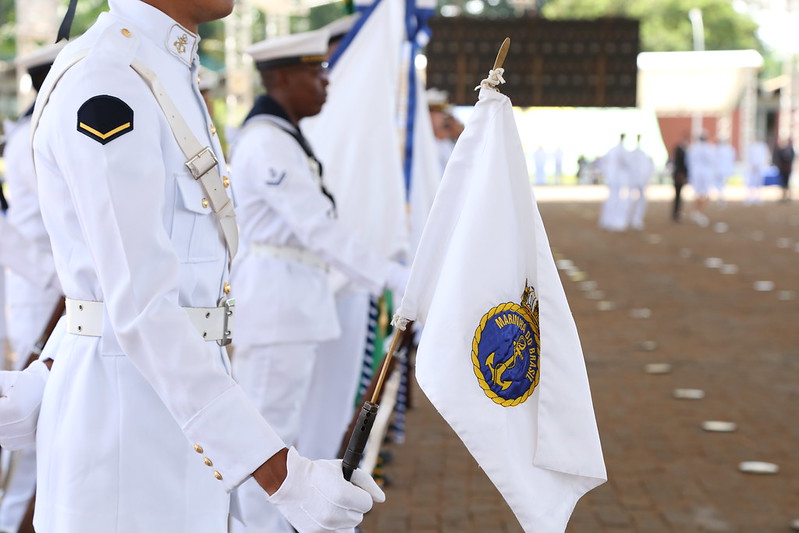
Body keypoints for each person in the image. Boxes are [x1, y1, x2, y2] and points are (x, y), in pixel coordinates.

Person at [0, 1, 384, 532]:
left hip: (172, 413)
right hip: (124, 438)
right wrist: (282, 476)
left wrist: (52, 366)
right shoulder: (107, 80)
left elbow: (109, 289)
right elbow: (142, 307)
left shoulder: (162, 66)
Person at [228, 29, 406, 533]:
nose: (326, 82)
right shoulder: (268, 142)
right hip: (275, 306)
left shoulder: (282, 136)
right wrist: (393, 276)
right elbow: (319, 231)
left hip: (290, 303)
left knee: (286, 437)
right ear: (282, 78)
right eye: (314, 72)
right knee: (266, 444)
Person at [0, 42, 64, 533]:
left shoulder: (45, 127)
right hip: (40, 296)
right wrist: (56, 282)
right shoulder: (29, 137)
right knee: (29, 444)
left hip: (61, 293)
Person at [599, 133, 630, 231]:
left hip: (613, 179)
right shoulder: (621, 151)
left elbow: (604, 162)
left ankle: (608, 221)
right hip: (617, 180)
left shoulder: (613, 150)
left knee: (612, 199)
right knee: (616, 200)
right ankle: (613, 221)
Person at [686, 132, 713, 226]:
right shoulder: (708, 148)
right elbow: (711, 161)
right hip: (705, 173)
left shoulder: (693, 148)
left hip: (695, 173)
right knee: (705, 194)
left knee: (698, 193)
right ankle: (698, 212)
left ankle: (696, 212)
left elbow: (688, 161)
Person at [627, 134, 653, 230]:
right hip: (636, 180)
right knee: (632, 199)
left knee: (638, 199)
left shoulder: (642, 155)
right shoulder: (638, 155)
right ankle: (632, 218)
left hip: (639, 180)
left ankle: (634, 218)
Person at [745, 136, 770, 205]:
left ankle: (758, 197)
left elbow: (766, 156)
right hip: (752, 167)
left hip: (759, 167)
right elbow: (748, 156)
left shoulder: (762, 146)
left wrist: (763, 165)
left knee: (759, 182)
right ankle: (750, 197)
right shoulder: (751, 146)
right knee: (751, 182)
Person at [671, 133, 689, 222]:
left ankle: (677, 213)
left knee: (679, 195)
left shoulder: (683, 149)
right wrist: (681, 174)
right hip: (679, 175)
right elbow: (679, 163)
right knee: (678, 195)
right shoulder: (679, 150)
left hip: (680, 174)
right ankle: (676, 213)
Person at [713, 136, 736, 206]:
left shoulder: (718, 149)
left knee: (720, 185)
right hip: (723, 170)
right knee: (721, 185)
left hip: (719, 170)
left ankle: (720, 198)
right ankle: (721, 198)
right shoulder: (729, 149)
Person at [773, 137, 794, 202]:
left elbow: (792, 158)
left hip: (787, 169)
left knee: (787, 182)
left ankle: (788, 196)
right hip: (782, 168)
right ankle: (783, 196)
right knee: (783, 182)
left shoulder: (790, 150)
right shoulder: (780, 150)